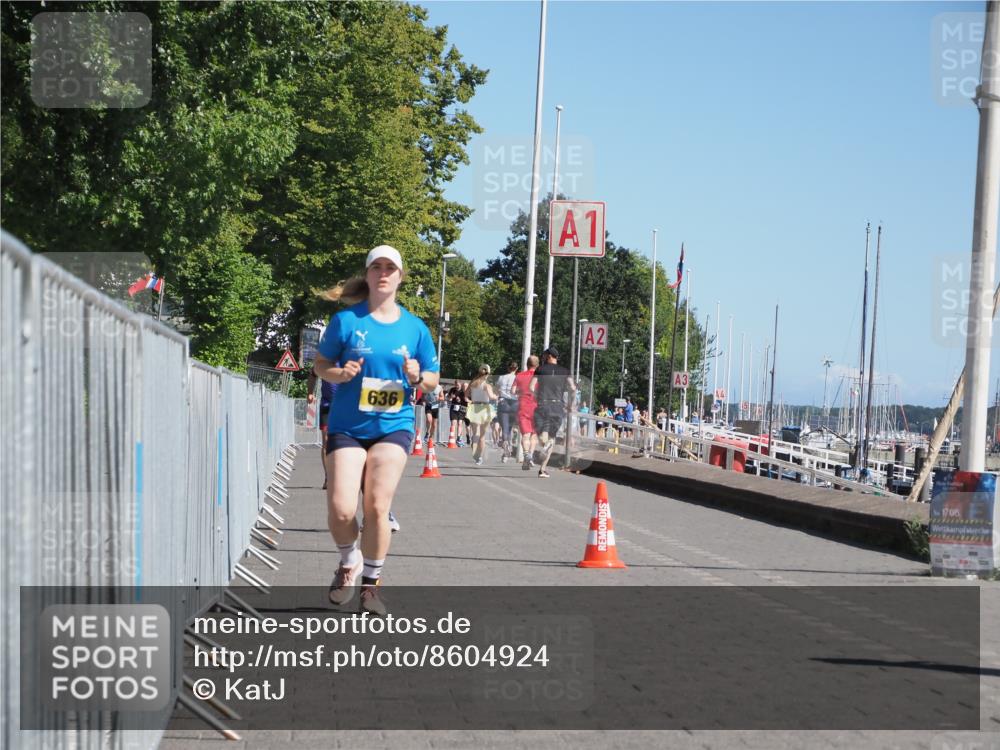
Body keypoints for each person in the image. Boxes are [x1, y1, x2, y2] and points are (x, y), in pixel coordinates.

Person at [313, 245, 439, 616]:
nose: (383, 274)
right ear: (367, 275)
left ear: (400, 277)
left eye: (390, 268)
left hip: (393, 425)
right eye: (376, 267)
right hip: (348, 426)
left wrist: (419, 377)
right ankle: (348, 559)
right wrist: (340, 373)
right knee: (340, 508)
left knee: (377, 505)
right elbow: (321, 364)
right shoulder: (346, 322)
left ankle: (370, 586)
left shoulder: (415, 328)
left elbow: (431, 377)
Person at [530, 347, 576, 478]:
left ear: (549, 356)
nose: (543, 357)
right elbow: (572, 388)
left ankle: (544, 447)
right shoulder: (565, 371)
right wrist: (570, 404)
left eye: (545, 355)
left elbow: (531, 387)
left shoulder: (540, 369)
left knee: (539, 433)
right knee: (552, 437)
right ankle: (542, 469)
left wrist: (536, 396)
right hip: (557, 406)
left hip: (543, 404)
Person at [307, 366, 337, 489]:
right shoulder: (325, 361)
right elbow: (313, 374)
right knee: (326, 441)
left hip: (345, 405)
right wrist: (310, 392)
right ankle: (328, 477)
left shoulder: (349, 358)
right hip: (327, 406)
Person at [465, 365, 497, 465]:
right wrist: (497, 396)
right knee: (482, 436)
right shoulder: (487, 385)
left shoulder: (473, 383)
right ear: (487, 374)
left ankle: (475, 453)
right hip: (484, 408)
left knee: (475, 434)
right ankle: (479, 457)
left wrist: (470, 401)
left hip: (474, 407)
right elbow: (492, 397)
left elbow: (465, 396)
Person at [514, 355, 539, 471]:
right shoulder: (540, 377)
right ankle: (530, 456)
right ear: (537, 365)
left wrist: (520, 391)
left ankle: (526, 455)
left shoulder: (519, 376)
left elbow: (513, 391)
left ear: (526, 364)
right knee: (534, 435)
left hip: (523, 407)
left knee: (525, 435)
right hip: (536, 407)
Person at [495, 361, 519, 462]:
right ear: (516, 369)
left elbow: (497, 389)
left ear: (508, 368)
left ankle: (505, 451)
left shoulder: (501, 377)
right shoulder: (518, 377)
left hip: (503, 402)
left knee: (505, 427)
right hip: (514, 403)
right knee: (510, 427)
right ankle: (508, 446)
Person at [417, 381, 443, 446]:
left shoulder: (439, 387)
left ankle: (431, 438)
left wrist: (439, 398)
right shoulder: (427, 386)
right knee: (429, 420)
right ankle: (427, 432)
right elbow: (422, 396)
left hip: (435, 406)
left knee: (434, 425)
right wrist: (423, 401)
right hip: (428, 405)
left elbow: (442, 397)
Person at [447, 381, 468, 446]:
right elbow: (448, 398)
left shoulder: (463, 391)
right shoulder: (452, 390)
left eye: (458, 385)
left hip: (461, 408)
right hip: (454, 407)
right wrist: (451, 397)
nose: (457, 386)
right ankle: (452, 437)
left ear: (460, 385)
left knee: (460, 423)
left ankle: (459, 438)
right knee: (453, 423)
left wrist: (460, 400)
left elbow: (466, 400)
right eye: (456, 385)